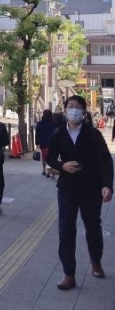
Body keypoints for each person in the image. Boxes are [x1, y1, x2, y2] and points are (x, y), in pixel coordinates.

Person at [46, 94, 113, 291]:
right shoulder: (58, 133)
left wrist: (107, 185)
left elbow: (106, 161)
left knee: (93, 226)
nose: (74, 110)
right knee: (66, 229)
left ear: (84, 111)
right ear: (65, 110)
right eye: (70, 106)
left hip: (91, 187)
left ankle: (96, 261)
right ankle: (68, 273)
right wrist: (61, 165)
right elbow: (49, 158)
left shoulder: (93, 134)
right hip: (67, 188)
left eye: (78, 107)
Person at [35, 109, 56, 177]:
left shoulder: (40, 123)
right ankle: (49, 170)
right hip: (52, 143)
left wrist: (37, 143)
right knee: (51, 156)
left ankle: (44, 169)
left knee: (44, 157)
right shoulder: (53, 123)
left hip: (43, 142)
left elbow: (37, 134)